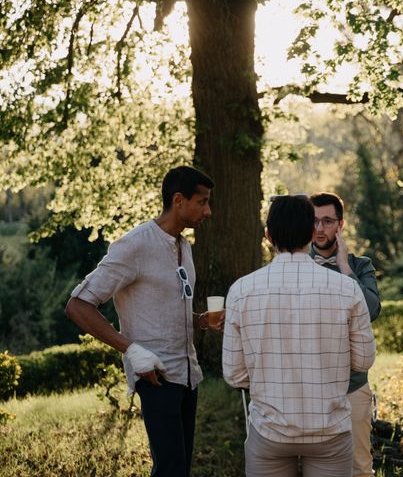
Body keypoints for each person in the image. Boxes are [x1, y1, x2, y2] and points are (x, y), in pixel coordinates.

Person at [65, 166, 220, 477]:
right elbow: (78, 305)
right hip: (156, 376)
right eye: (202, 202)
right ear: (179, 200)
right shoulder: (135, 245)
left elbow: (162, 310)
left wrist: (200, 320)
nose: (208, 211)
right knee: (171, 470)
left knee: (179, 468)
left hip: (188, 375)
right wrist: (131, 350)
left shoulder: (183, 247)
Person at [222, 195, 376, 477]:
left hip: (270, 431)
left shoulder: (241, 291)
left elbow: (234, 375)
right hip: (329, 430)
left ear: (268, 236)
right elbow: (364, 360)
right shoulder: (346, 289)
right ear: (309, 233)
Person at [308, 191, 381, 477]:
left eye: (327, 221)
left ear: (340, 225)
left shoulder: (360, 265)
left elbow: (372, 309)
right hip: (311, 386)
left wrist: (344, 267)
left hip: (353, 385)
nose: (320, 229)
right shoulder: (297, 267)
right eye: (314, 221)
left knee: (360, 467)